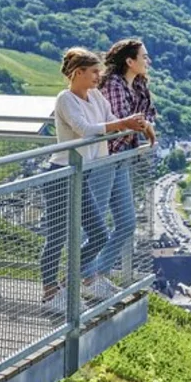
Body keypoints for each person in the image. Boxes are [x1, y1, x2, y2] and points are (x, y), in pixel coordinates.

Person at [39, 47, 146, 311]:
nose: (99, 76)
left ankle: (72, 279)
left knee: (98, 233)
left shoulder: (96, 97)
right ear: (78, 73)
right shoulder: (65, 99)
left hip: (82, 173)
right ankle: (50, 292)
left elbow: (110, 121)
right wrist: (124, 124)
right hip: (61, 175)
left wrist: (131, 123)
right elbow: (85, 130)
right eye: (94, 72)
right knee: (57, 236)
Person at [92, 39, 156, 286]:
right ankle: (88, 276)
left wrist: (143, 124)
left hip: (121, 159)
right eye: (144, 57)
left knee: (127, 223)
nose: (147, 61)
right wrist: (143, 126)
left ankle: (96, 273)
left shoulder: (138, 85)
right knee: (94, 222)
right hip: (105, 158)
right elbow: (123, 121)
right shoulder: (114, 85)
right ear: (130, 62)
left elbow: (146, 117)